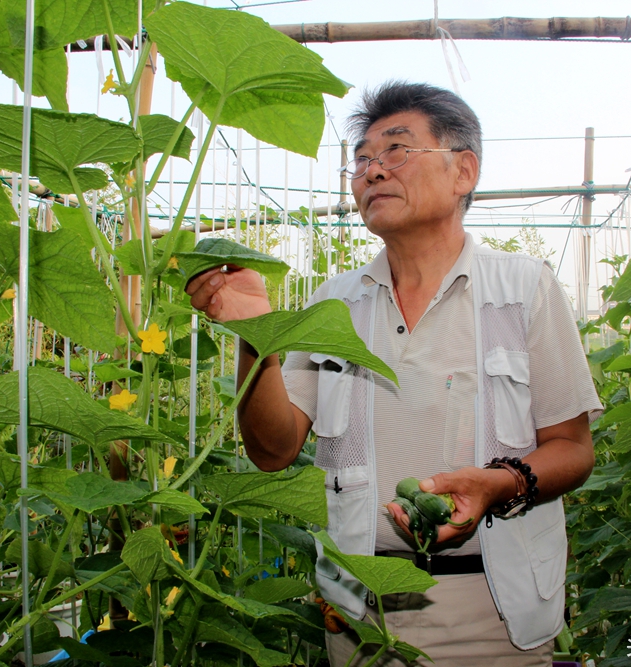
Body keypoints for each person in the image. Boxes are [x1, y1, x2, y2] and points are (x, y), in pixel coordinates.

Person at [186, 81, 603, 667]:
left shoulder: (523, 290)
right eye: (361, 160)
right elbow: (273, 450)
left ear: (463, 171)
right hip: (357, 611)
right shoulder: (334, 303)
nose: (372, 172)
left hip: (491, 610)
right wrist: (259, 333)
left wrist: (495, 485)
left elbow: (573, 450)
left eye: (396, 151)